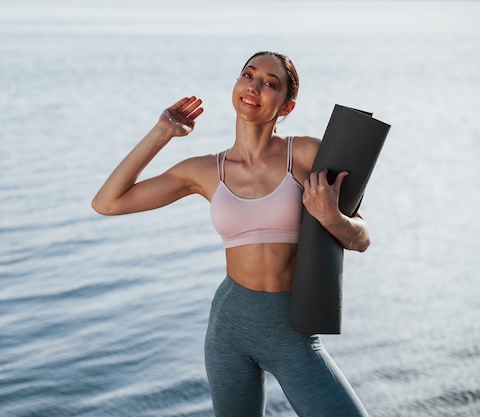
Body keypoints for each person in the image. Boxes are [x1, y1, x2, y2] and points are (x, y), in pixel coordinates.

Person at [92, 51, 370, 417]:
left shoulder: (306, 154)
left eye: (270, 83)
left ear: (287, 106)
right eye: (248, 75)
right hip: (229, 328)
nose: (254, 86)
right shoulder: (205, 170)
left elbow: (360, 238)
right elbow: (108, 202)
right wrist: (162, 132)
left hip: (293, 332)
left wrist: (331, 218)